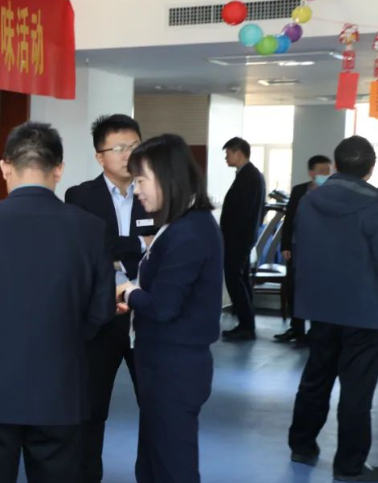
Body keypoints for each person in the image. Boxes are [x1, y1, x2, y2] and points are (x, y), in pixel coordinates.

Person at [0, 122, 114, 483]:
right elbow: (102, 311)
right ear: (58, 169)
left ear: (5, 167)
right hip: (61, 389)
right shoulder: (91, 229)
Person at [116, 134, 222, 483]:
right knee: (154, 461)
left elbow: (162, 306)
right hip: (164, 364)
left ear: (166, 177)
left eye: (141, 180)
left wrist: (129, 292)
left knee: (172, 466)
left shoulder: (190, 231)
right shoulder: (181, 224)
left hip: (174, 368)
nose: (137, 190)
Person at [64, 114, 155, 482]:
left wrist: (118, 251)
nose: (128, 154)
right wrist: (139, 245)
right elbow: (90, 249)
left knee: (155, 405)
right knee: (91, 409)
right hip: (101, 316)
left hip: (146, 315)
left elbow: (163, 246)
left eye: (134, 146)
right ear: (99, 156)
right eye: (119, 148)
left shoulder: (155, 193)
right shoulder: (80, 196)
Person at [288, 136, 378, 482]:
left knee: (316, 378)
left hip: (320, 307)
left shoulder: (310, 200)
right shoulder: (374, 205)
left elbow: (301, 248)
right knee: (357, 391)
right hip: (364, 312)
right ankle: (349, 467)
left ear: (336, 165)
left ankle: (301, 445)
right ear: (370, 168)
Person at [274, 154, 333, 346]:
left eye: (328, 171)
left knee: (317, 290)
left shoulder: (332, 192)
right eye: (321, 171)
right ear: (311, 173)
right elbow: (289, 218)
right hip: (297, 247)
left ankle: (315, 331)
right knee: (294, 288)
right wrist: (285, 245)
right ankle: (296, 328)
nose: (326, 174)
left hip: (321, 251)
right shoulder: (300, 191)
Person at [219, 137, 266, 341]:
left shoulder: (250, 177)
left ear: (238, 153)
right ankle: (246, 322)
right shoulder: (250, 175)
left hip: (238, 238)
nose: (226, 157)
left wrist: (231, 236)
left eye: (228, 153)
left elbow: (243, 212)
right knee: (242, 279)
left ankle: (246, 324)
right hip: (241, 237)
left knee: (234, 279)